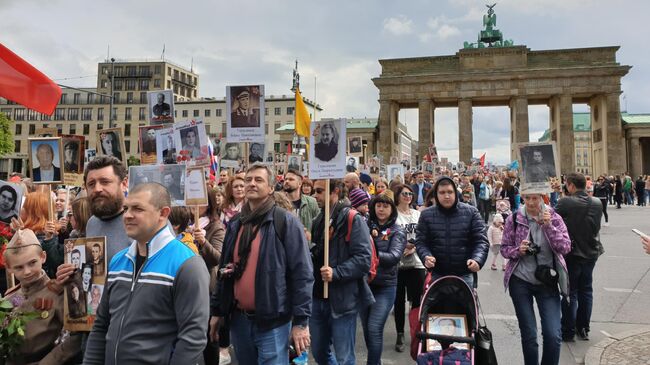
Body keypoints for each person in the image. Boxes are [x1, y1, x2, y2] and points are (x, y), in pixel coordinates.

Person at [84, 183, 210, 364]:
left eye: (138, 209)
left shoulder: (187, 264)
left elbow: (193, 338)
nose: (127, 215)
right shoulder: (119, 261)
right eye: (126, 208)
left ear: (163, 213)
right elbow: (102, 324)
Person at [209, 164, 313, 365]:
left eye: (258, 180)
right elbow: (224, 270)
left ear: (271, 188)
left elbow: (303, 274)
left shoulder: (286, 222)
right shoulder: (236, 223)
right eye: (248, 180)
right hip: (239, 320)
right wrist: (217, 312)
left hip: (272, 322)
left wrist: (301, 322)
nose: (251, 184)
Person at [501, 191, 571, 365]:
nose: (531, 202)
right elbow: (504, 248)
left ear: (543, 198)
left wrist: (549, 227)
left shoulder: (554, 217)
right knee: (529, 334)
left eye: (535, 198)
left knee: (553, 334)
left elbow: (565, 247)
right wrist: (519, 250)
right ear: (522, 198)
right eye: (527, 198)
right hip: (520, 281)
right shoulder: (514, 218)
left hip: (546, 281)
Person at [310, 179, 373, 365]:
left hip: (342, 299)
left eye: (320, 191)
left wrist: (336, 273)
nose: (315, 196)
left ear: (335, 191)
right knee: (319, 352)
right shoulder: (318, 220)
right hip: (317, 297)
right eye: (315, 191)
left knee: (344, 357)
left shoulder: (353, 219)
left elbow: (363, 259)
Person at [3, 229, 81, 364]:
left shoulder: (57, 292)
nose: (27, 272)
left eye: (32, 263)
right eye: (19, 267)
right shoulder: (11, 298)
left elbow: (76, 336)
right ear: (9, 267)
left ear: (43, 257)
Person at [55, 157, 131, 290]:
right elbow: (93, 274)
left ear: (124, 184)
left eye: (105, 182)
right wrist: (69, 273)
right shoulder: (92, 223)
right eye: (91, 184)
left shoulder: (143, 222)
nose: (97, 189)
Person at [555, 172, 604, 342]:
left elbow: (554, 218)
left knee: (570, 292)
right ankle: (583, 328)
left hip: (573, 253)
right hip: (591, 252)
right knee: (586, 290)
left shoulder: (565, 202)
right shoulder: (597, 202)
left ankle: (567, 330)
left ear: (571, 185)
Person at [415, 177, 489, 287]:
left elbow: (481, 241)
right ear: (436, 194)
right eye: (442, 192)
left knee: (466, 304)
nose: (446, 196)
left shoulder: (471, 212)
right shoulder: (426, 215)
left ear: (455, 193)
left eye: (450, 192)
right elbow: (421, 242)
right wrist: (426, 256)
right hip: (437, 274)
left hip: (464, 274)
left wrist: (477, 259)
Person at [361, 191, 406, 365]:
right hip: (365, 285)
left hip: (386, 286)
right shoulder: (365, 226)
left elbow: (393, 257)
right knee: (366, 330)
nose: (381, 209)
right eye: (378, 205)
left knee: (374, 328)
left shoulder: (397, 231)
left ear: (392, 209)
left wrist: (371, 253)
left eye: (385, 206)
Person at [392, 184, 425, 353]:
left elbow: (424, 235)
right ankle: (400, 333)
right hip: (398, 263)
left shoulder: (418, 214)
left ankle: (416, 332)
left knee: (417, 300)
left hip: (417, 262)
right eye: (404, 193)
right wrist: (400, 247)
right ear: (397, 195)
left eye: (410, 193)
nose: (408, 196)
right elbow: (388, 234)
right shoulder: (393, 214)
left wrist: (413, 245)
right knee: (398, 300)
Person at [283, 170, 319, 240]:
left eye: (291, 179)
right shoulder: (278, 202)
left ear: (299, 183)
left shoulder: (311, 202)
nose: (287, 181)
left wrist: (311, 236)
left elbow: (318, 225)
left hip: (306, 246)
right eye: (286, 179)